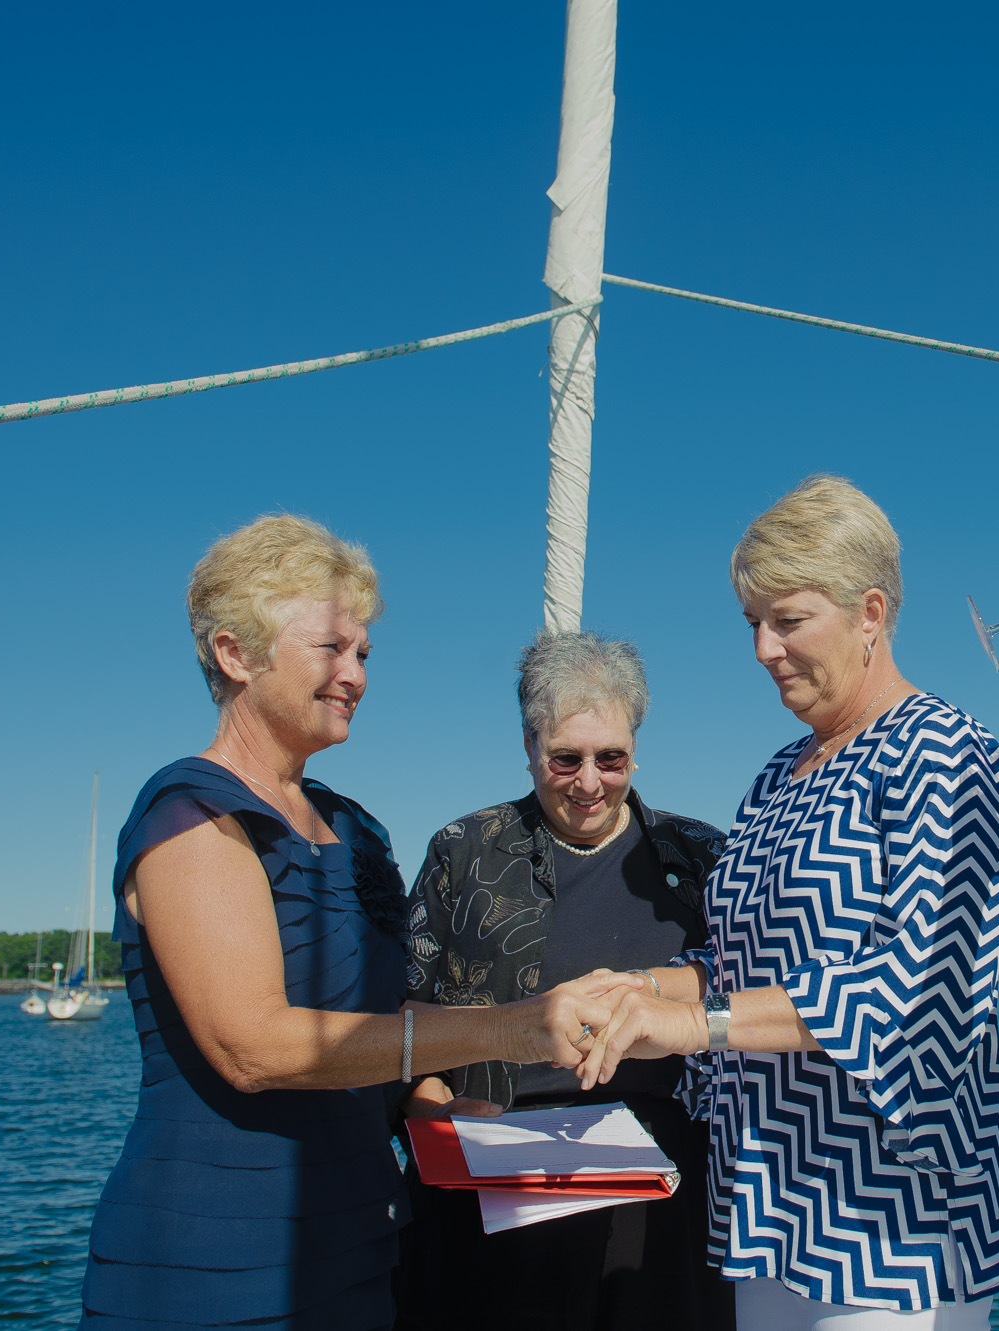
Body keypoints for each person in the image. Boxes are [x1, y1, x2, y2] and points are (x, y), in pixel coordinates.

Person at [79, 514, 632, 1331]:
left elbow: (389, 1031)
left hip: (365, 1246)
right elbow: (251, 1045)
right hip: (217, 1257)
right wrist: (510, 1028)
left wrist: (469, 1126)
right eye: (331, 649)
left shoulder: (359, 830)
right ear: (235, 653)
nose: (355, 675)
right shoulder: (192, 812)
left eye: (364, 654)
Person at [575, 475, 999, 1329]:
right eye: (753, 622)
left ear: (870, 612)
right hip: (771, 1203)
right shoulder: (776, 775)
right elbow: (736, 963)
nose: (761, 647)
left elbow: (915, 994)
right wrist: (640, 988)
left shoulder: (945, 749)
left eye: (787, 620)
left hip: (890, 1217)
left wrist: (690, 1026)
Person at [395, 631, 735, 1331]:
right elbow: (402, 1019)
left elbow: (742, 1004)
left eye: (611, 758)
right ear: (528, 748)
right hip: (496, 1199)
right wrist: (430, 1109)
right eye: (565, 758)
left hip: (665, 1206)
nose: (589, 781)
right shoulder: (463, 852)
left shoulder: (702, 858)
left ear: (636, 747)